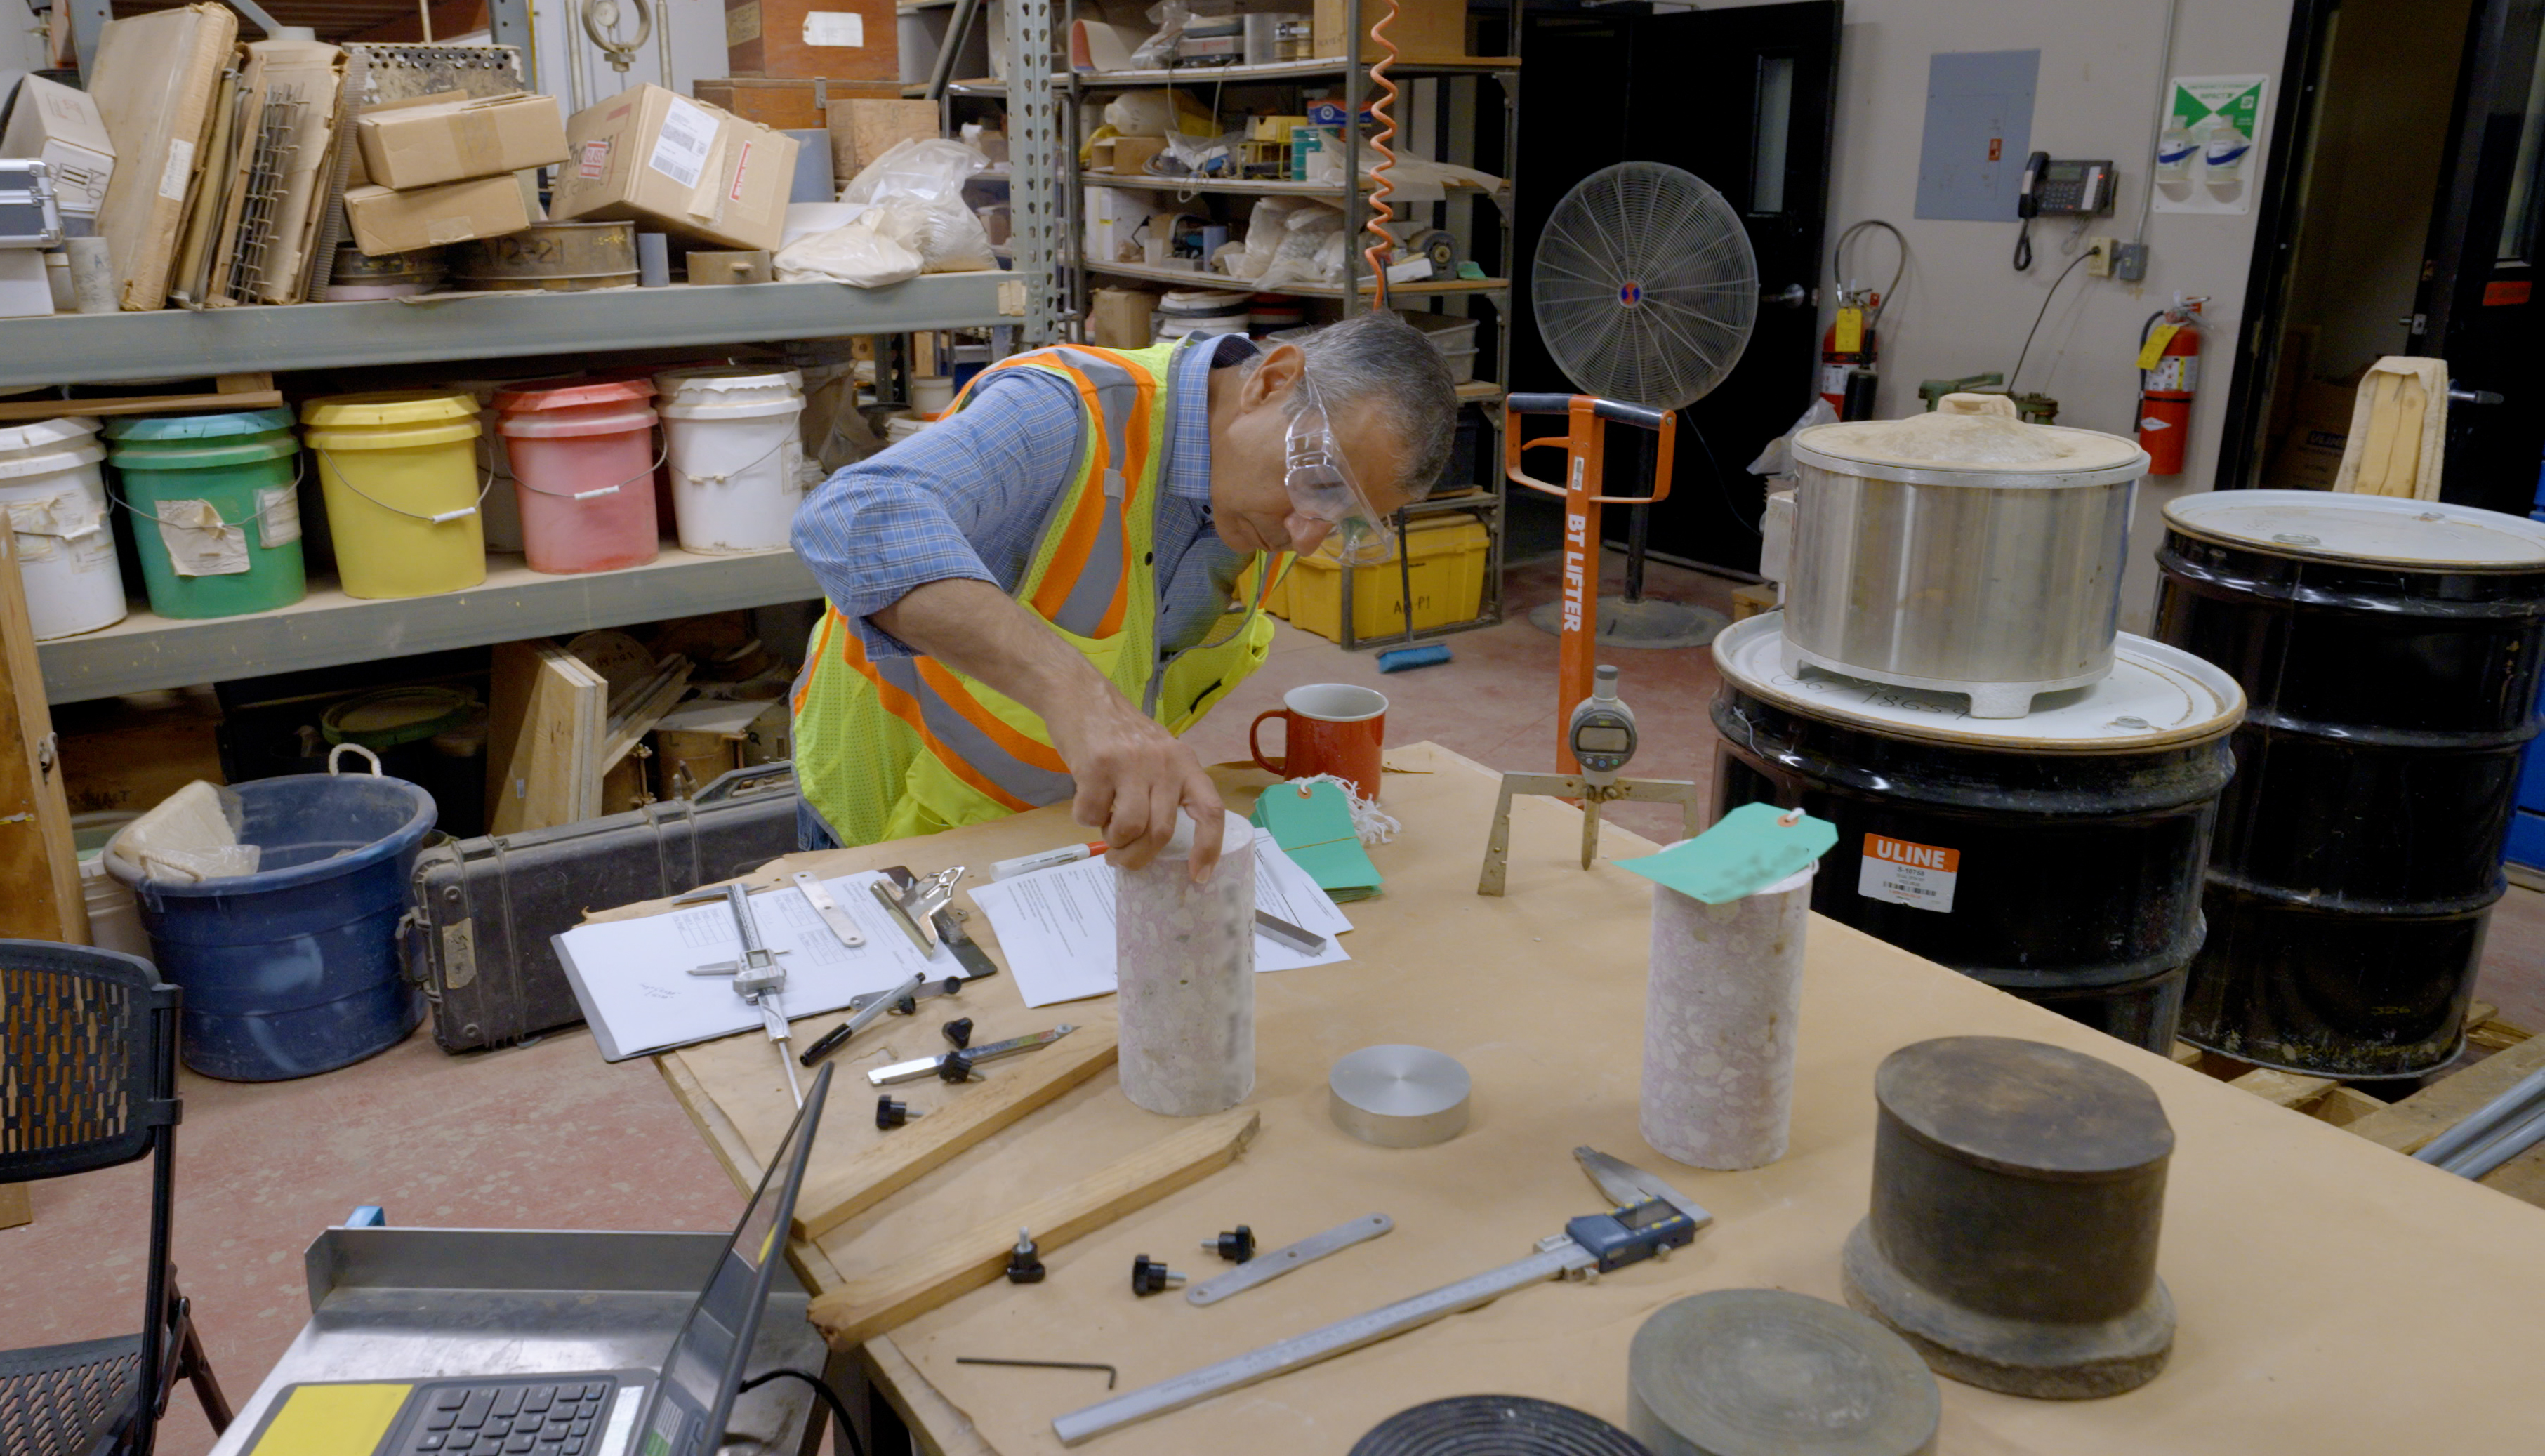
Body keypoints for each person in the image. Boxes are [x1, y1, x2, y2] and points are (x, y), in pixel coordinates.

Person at [788, 312, 1459, 880]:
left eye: (1342, 519)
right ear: (1272, 381)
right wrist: (1080, 699)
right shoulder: (1065, 410)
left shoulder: (1266, 506)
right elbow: (851, 513)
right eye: (1321, 482)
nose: (1308, 538)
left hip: (1042, 843)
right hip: (880, 817)